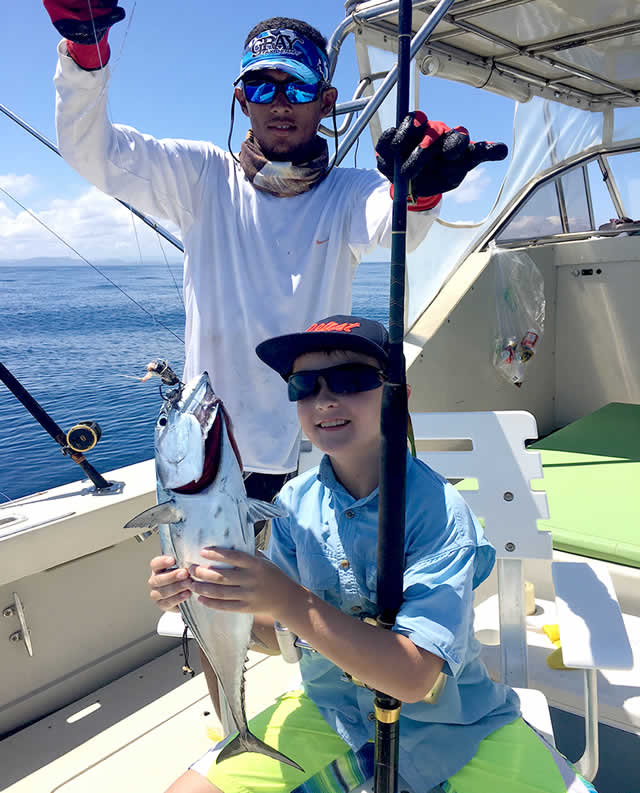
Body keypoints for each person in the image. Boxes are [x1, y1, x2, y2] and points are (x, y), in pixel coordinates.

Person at [42, 1, 507, 711]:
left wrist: (425, 185)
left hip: (318, 461)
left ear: (326, 100)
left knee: (329, 617)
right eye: (262, 86)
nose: (280, 104)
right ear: (240, 98)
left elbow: (398, 223)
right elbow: (92, 150)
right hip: (210, 459)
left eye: (296, 87)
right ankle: (230, 725)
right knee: (212, 609)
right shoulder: (201, 179)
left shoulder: (350, 192)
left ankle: (335, 721)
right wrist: (83, 50)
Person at [150, 313, 598, 793]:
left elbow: (413, 680)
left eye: (350, 379)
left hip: (454, 728)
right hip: (330, 714)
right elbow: (275, 637)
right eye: (303, 385)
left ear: (397, 396)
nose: (324, 399)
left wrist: (285, 599)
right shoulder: (292, 506)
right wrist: (211, 598)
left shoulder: (440, 515)